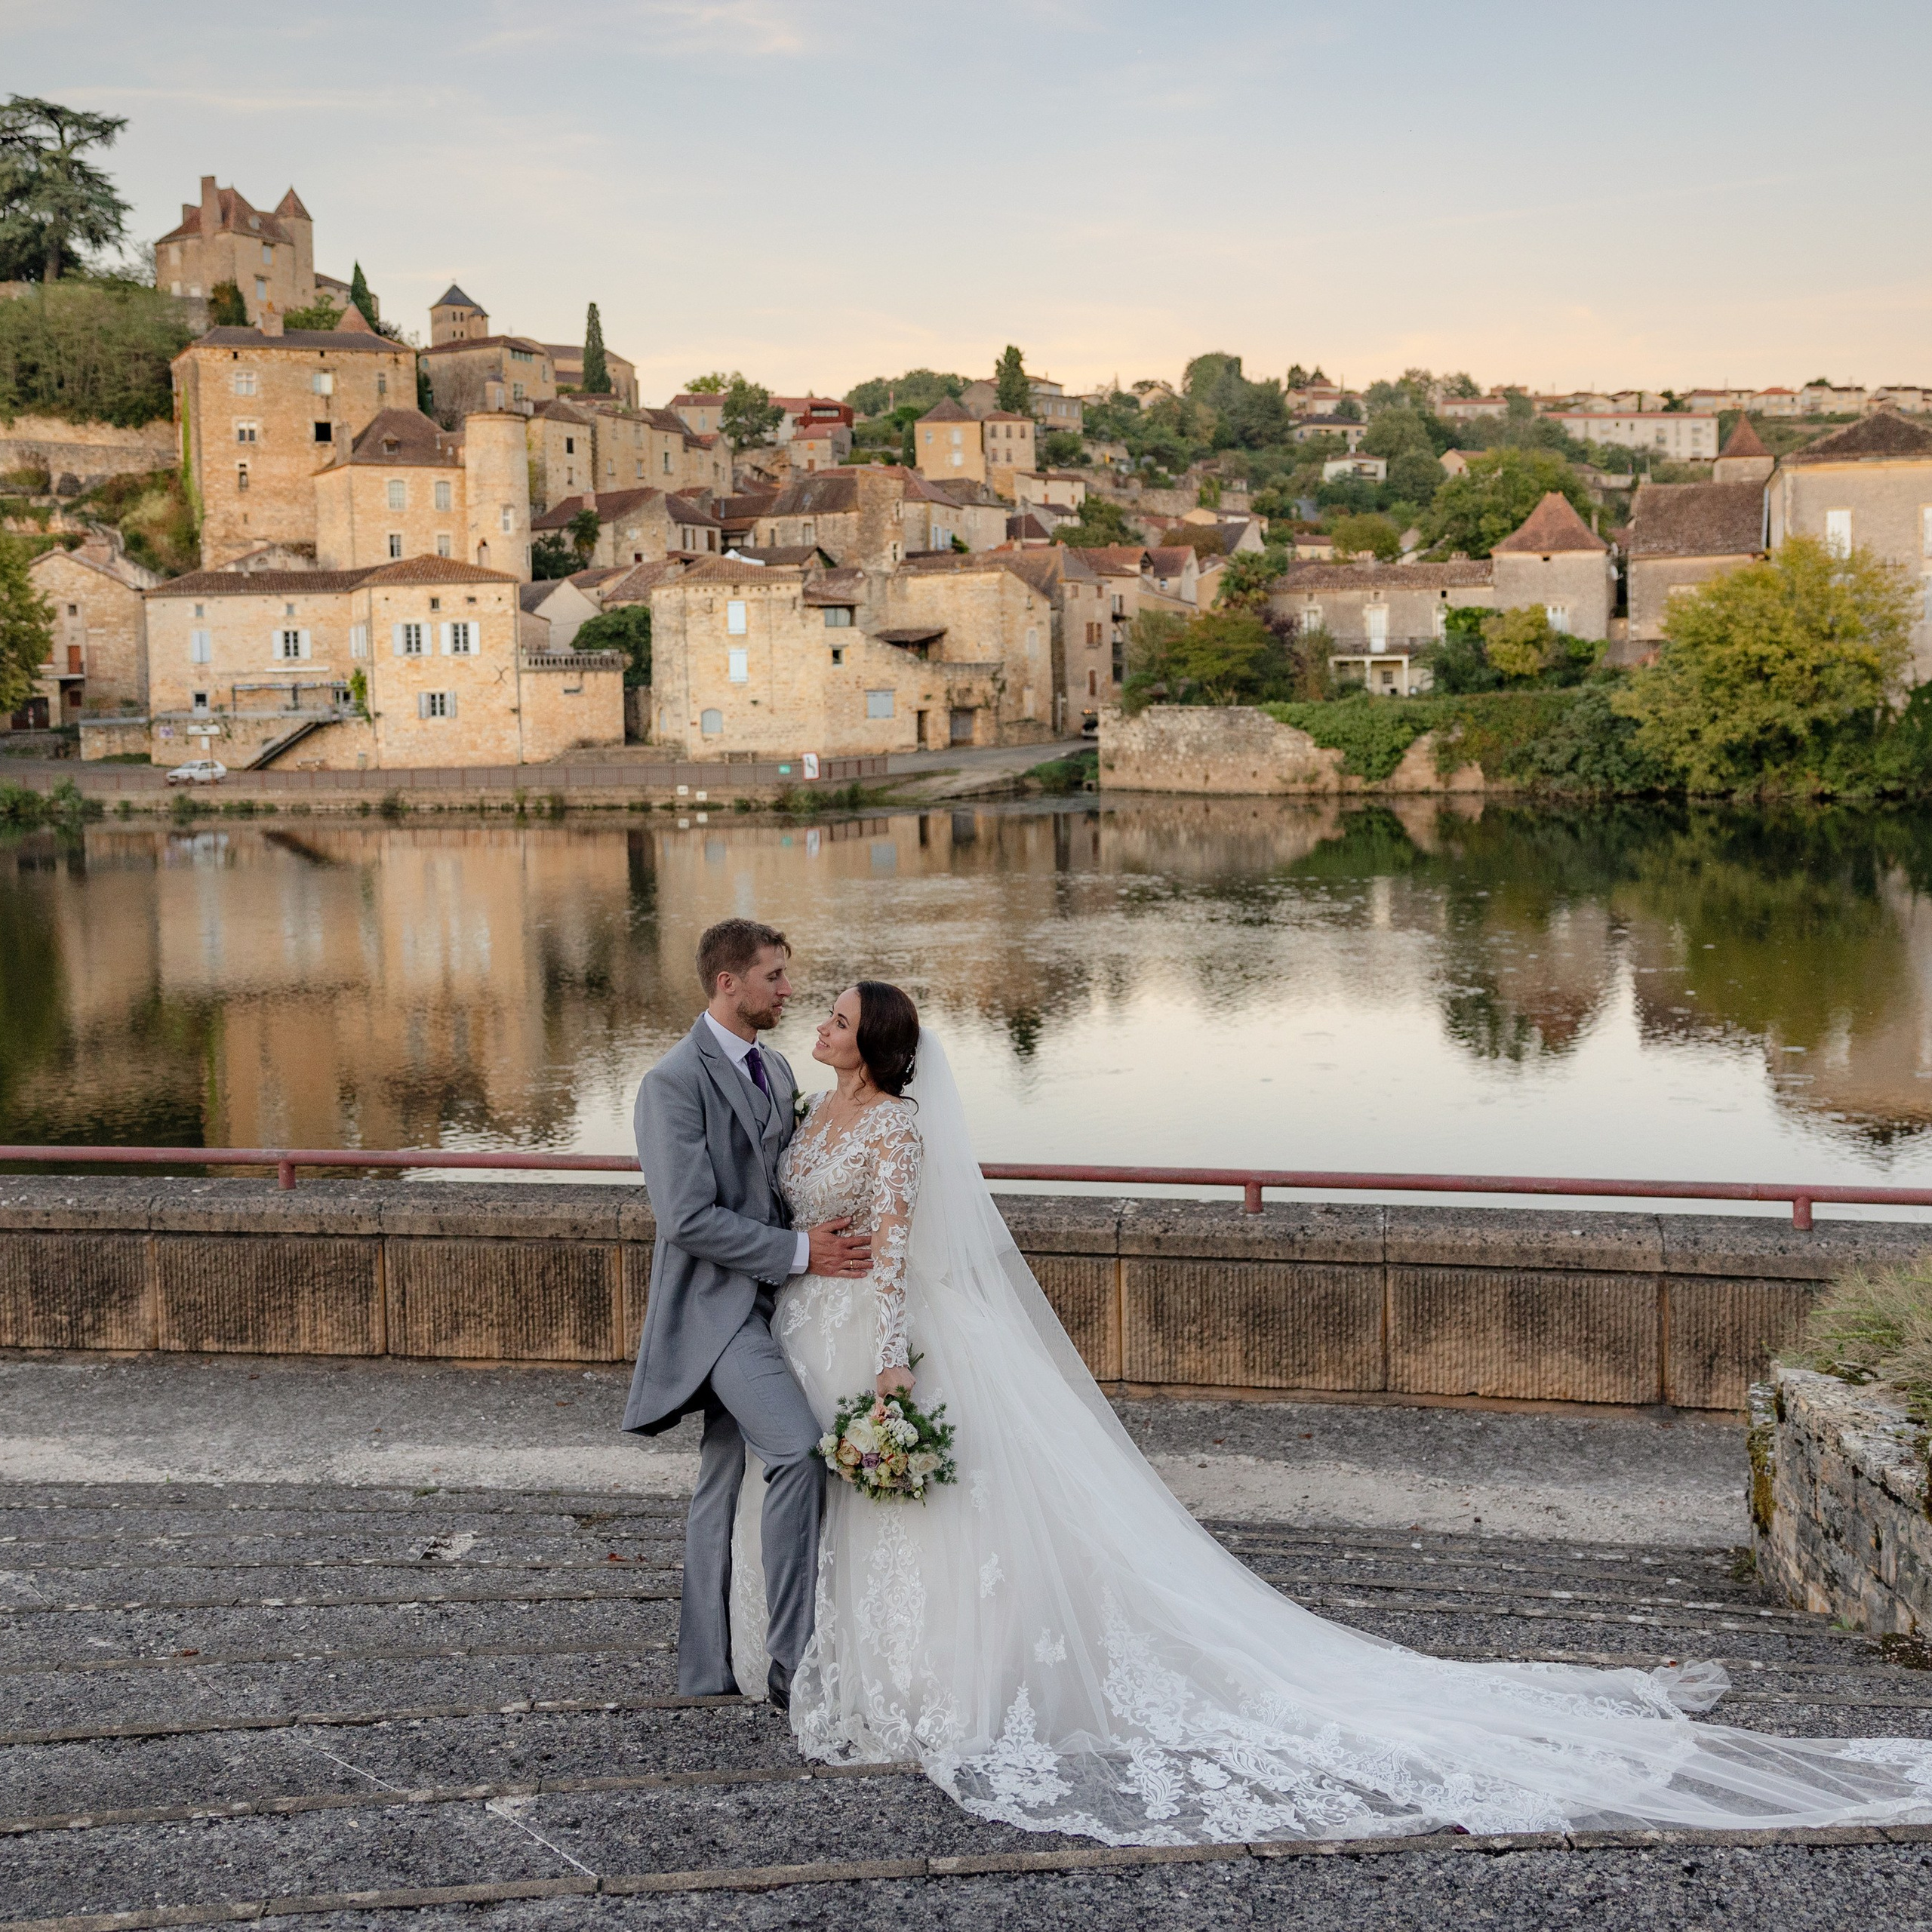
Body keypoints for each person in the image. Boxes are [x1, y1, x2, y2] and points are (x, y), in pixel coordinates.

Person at [727, 979, 1932, 1847]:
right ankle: (842, 1655)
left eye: (834, 1014)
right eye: (815, 1007)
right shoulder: (807, 1108)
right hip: (805, 1329)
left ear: (872, 1044)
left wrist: (891, 1370)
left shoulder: (894, 1124)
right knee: (837, 1505)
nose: (817, 1021)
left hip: (877, 1339)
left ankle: (940, 1682)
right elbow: (804, 1217)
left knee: (909, 1509)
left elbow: (891, 1255)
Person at [621, 918, 871, 1711]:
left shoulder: (776, 1063)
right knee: (797, 1452)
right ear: (729, 984)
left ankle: (707, 1668)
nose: (788, 991)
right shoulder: (671, 1082)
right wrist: (800, 1252)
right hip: (718, 1308)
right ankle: (792, 1663)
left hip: (783, 1303)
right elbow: (686, 1218)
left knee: (724, 1480)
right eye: (774, 977)